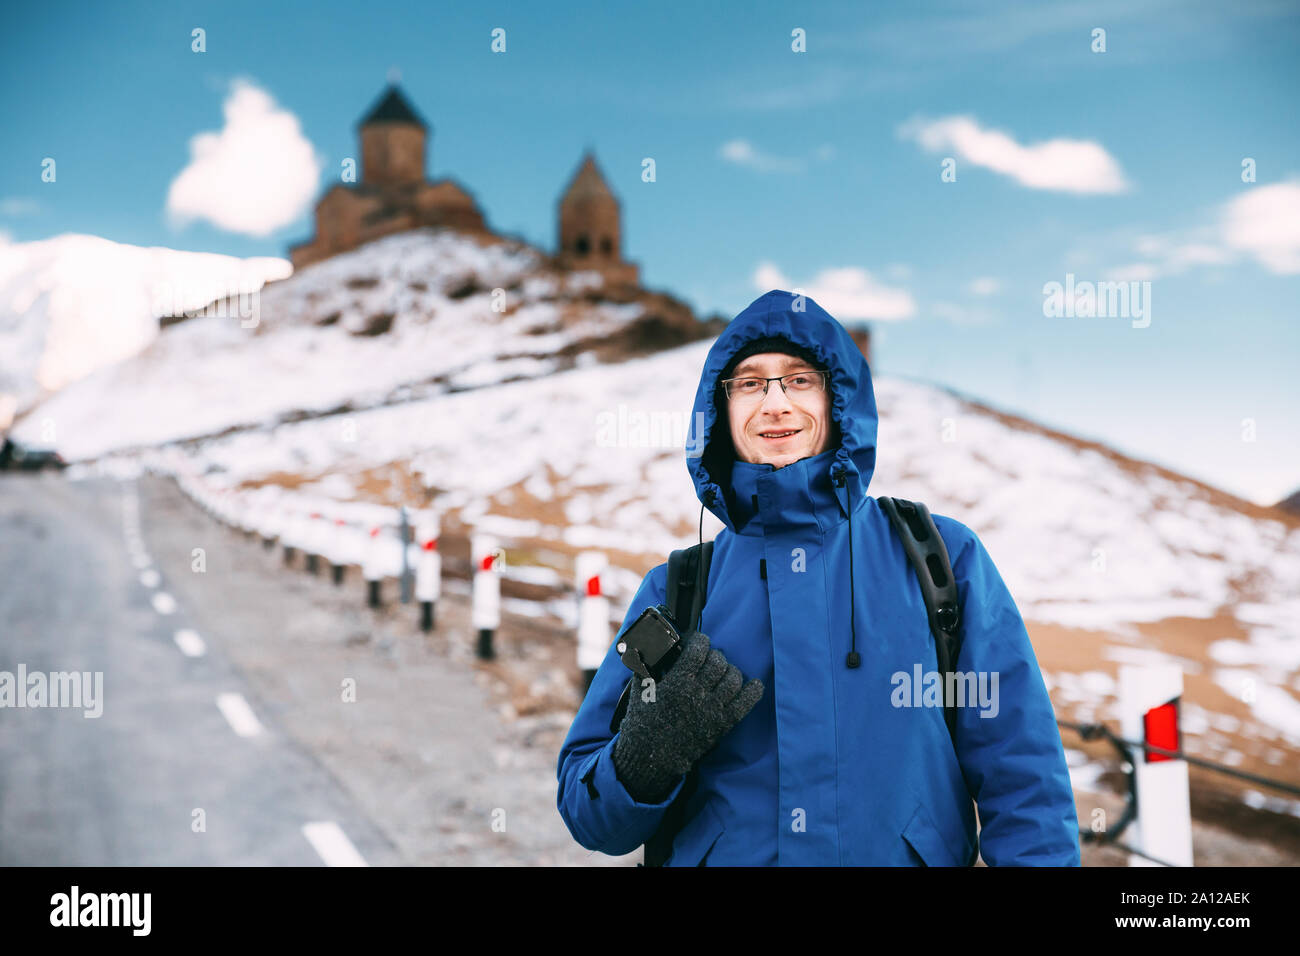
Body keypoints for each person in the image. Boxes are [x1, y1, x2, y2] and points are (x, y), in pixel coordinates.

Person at [556, 289, 1081, 866]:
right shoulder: (679, 589)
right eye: (750, 383)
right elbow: (589, 818)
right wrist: (648, 753)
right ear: (720, 410)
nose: (774, 404)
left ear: (839, 402)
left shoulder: (940, 559)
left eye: (800, 380)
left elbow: (1023, 776)